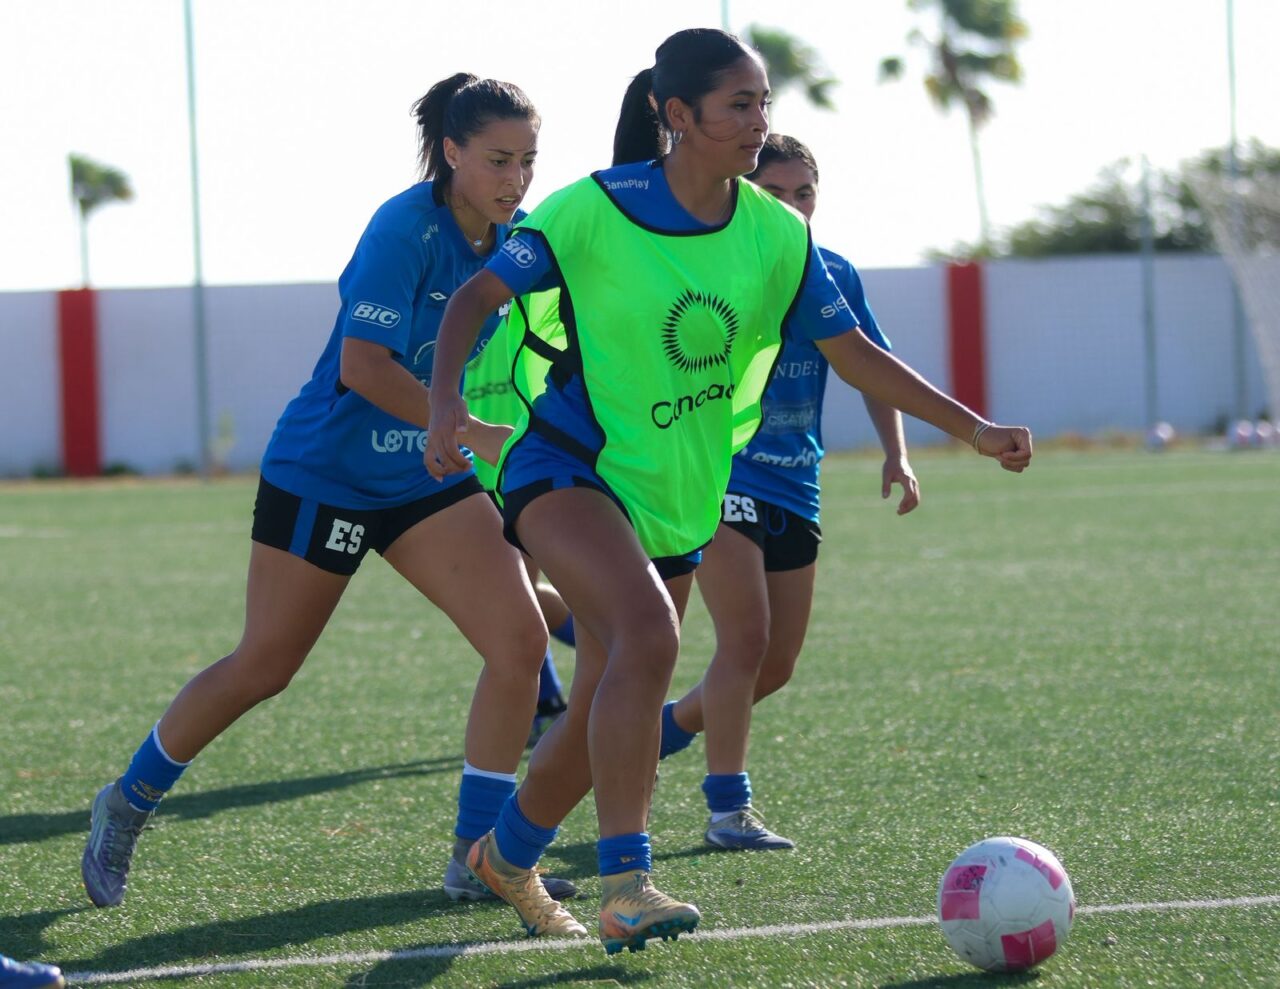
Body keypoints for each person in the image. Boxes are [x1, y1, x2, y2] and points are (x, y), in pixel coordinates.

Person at [424, 28, 1032, 954]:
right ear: (678, 116)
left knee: (599, 700)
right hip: (565, 466)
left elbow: (856, 353)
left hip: (676, 496)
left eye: (764, 104)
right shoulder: (592, 208)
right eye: (739, 105)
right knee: (650, 636)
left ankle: (504, 855)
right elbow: (474, 302)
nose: (758, 122)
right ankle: (627, 883)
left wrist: (974, 430)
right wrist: (443, 411)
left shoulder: (777, 234)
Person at [79, 73, 580, 919]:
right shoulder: (402, 228)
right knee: (264, 666)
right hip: (327, 473)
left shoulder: (517, 239)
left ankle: (477, 856)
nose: (516, 180)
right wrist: (468, 430)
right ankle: (126, 800)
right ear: (451, 152)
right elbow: (362, 366)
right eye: (498, 160)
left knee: (519, 638)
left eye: (528, 161)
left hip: (424, 475)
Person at [657, 133, 919, 851]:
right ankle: (728, 812)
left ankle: (669, 725)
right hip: (724, 476)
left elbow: (873, 365)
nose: (792, 206)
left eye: (803, 192)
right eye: (775, 193)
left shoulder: (833, 273)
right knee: (746, 637)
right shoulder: (718, 270)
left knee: (774, 665)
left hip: (797, 481)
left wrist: (896, 453)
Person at [464, 333, 575, 747]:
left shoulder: (516, 299)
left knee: (511, 599)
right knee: (514, 598)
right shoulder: (447, 307)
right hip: (468, 481)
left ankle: (615, 653)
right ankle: (613, 651)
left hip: (523, 472)